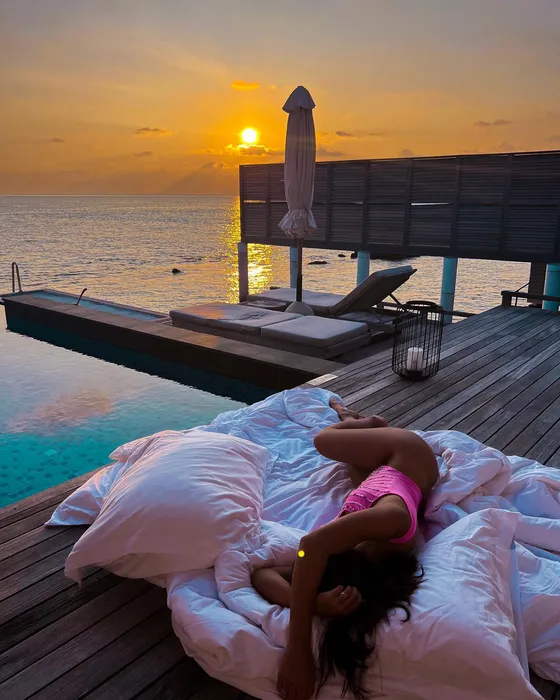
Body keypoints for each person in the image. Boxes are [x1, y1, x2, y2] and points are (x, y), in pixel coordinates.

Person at [251, 398, 438, 700]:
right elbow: (308, 548)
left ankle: (358, 429)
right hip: (407, 454)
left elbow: (263, 575)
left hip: (369, 482)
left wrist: (316, 604)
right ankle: (362, 421)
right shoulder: (394, 520)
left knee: (351, 461)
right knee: (323, 440)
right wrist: (298, 649)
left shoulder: (353, 559)